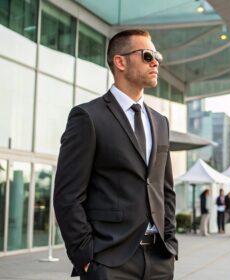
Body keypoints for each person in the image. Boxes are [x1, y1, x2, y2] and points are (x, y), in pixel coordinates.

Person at [54, 29, 177, 280]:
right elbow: (67, 195)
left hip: (159, 260)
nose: (155, 61)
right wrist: (85, 256)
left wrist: (170, 242)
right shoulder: (88, 117)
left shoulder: (160, 122)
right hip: (109, 261)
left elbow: (165, 189)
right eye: (146, 55)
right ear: (120, 62)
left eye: (157, 56)